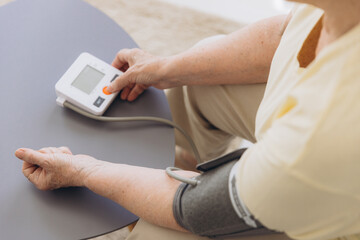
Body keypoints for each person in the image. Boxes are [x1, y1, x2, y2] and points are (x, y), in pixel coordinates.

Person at [14, 0, 360, 239]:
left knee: (158, 231)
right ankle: (184, 166)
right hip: (308, 158)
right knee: (196, 80)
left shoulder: (325, 136)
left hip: (330, 211)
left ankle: (184, 180)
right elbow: (286, 34)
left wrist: (84, 171)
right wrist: (168, 68)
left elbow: (195, 208)